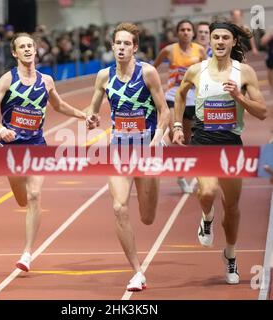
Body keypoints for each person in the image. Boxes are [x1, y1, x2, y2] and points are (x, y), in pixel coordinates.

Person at [0, 33, 88, 272]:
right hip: (10, 148)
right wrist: (1, 128)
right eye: (22, 47)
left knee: (34, 196)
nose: (28, 50)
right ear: (14, 53)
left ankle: (27, 253)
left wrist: (82, 114)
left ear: (36, 50)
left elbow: (58, 105)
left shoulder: (47, 80)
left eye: (30, 46)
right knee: (21, 199)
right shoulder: (7, 79)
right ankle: (27, 244)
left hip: (37, 145)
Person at [172, 21, 267, 284]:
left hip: (231, 142)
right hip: (202, 139)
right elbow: (179, 96)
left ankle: (231, 255)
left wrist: (239, 96)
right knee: (207, 192)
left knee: (233, 207)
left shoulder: (244, 72)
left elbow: (262, 112)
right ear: (210, 42)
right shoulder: (196, 71)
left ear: (234, 42)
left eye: (226, 37)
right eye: (216, 37)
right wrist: (178, 126)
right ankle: (207, 217)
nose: (221, 41)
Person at [86, 22, 169, 291]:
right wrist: (90, 118)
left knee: (147, 217)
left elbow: (163, 111)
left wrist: (157, 140)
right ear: (112, 46)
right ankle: (137, 271)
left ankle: (153, 181)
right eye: (117, 43)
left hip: (146, 148)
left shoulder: (148, 73)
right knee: (119, 207)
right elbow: (93, 109)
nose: (121, 48)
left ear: (134, 48)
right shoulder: (103, 76)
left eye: (126, 44)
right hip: (119, 149)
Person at [154, 20, 207, 193]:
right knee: (175, 134)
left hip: (192, 99)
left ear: (193, 33)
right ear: (177, 33)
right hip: (173, 96)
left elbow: (208, 70)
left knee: (187, 139)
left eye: (188, 29)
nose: (185, 32)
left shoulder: (200, 50)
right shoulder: (169, 50)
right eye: (182, 30)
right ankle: (166, 139)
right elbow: (152, 69)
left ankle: (183, 172)